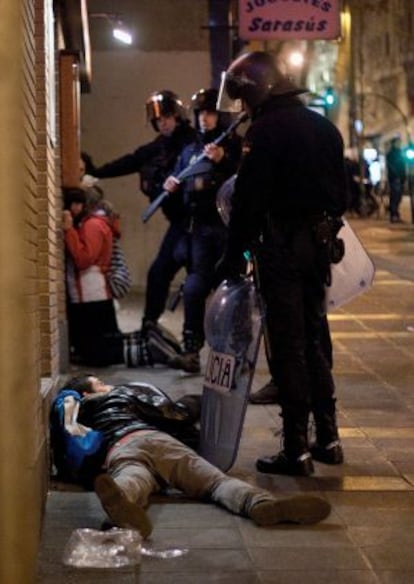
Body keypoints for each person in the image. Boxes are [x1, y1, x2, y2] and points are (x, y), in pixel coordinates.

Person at [215, 51, 348, 476]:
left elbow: (249, 202)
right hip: (318, 247)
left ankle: (295, 449)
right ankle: (328, 437)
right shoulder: (324, 127)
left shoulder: (266, 131)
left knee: (287, 343)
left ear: (255, 90)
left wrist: (232, 254)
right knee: (315, 337)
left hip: (281, 247)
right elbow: (341, 197)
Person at [61, 374, 331, 539]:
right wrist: (200, 401)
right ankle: (259, 504)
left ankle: (122, 501)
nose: (108, 385)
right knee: (215, 483)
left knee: (133, 478)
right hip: (154, 438)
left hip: (120, 448)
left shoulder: (77, 416)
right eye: (101, 384)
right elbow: (176, 412)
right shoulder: (121, 394)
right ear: (88, 392)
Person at [91, 90, 197, 330]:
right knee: (159, 274)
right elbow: (130, 161)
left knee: (195, 284)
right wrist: (96, 172)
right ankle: (149, 326)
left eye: (167, 117)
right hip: (179, 224)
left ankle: (192, 337)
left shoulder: (192, 142)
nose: (163, 123)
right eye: (159, 120)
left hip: (199, 224)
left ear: (177, 116)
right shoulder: (159, 147)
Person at [163, 88, 242, 373]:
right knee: (195, 288)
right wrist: (171, 188)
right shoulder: (190, 152)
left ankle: (234, 354)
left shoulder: (235, 148)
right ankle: (191, 349)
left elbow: (247, 184)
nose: (204, 119)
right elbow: (180, 198)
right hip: (200, 230)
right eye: (200, 114)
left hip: (228, 230)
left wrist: (225, 161)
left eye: (209, 113)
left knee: (233, 291)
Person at [63, 185, 124, 366]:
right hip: (92, 292)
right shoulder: (96, 223)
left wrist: (69, 232)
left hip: (90, 292)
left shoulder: (93, 225)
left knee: (96, 349)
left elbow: (84, 258)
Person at [386, 136, 406, 223]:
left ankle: (396, 215)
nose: (399, 144)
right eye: (398, 142)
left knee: (398, 198)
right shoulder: (391, 153)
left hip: (400, 178)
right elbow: (391, 166)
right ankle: (393, 216)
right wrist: (396, 176)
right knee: (394, 197)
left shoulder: (400, 152)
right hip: (395, 179)